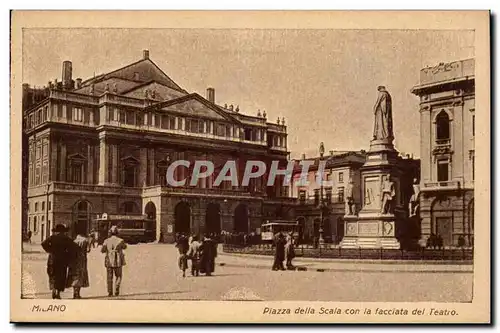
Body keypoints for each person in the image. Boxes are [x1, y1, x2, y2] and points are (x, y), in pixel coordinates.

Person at [41, 224, 78, 299]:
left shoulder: (52, 237)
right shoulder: (66, 238)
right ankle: (58, 293)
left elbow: (43, 244)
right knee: (61, 277)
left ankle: (53, 290)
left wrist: (50, 250)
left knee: (52, 275)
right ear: (63, 231)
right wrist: (68, 255)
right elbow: (74, 248)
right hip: (62, 261)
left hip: (52, 260)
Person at [101, 226, 127, 297]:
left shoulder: (106, 240)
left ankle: (110, 292)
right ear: (117, 233)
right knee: (118, 276)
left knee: (109, 277)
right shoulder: (121, 240)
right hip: (118, 260)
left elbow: (102, 250)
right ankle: (116, 290)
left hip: (109, 260)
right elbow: (125, 247)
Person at [66, 232, 91, 299]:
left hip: (73, 260)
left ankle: (75, 293)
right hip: (82, 260)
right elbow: (88, 250)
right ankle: (77, 294)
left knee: (75, 276)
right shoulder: (85, 241)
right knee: (80, 276)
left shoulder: (73, 241)